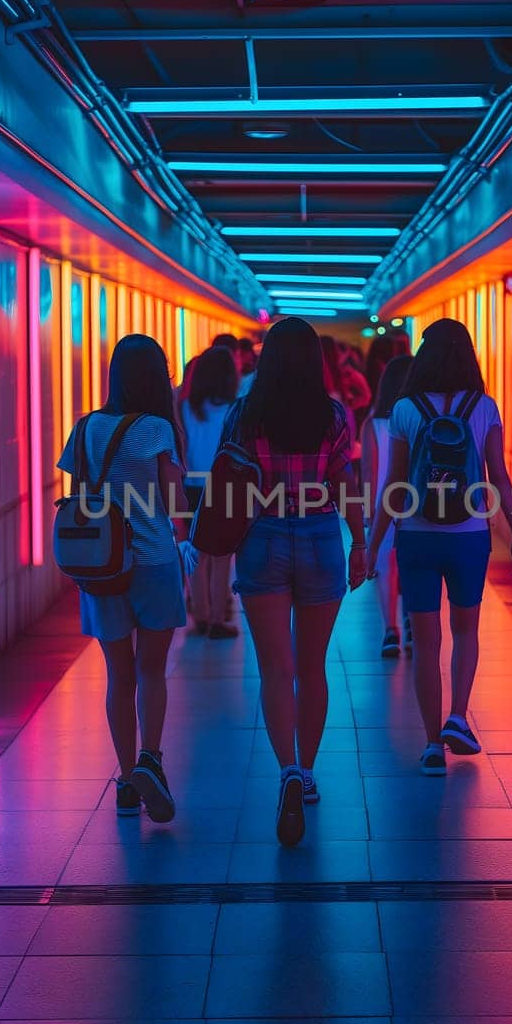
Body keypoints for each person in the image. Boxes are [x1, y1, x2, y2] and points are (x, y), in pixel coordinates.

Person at [226, 318, 367, 846]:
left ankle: (285, 769)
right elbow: (344, 482)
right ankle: (306, 772)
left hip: (260, 534)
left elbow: (229, 472)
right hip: (318, 533)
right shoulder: (334, 415)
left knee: (274, 670)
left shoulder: (245, 413)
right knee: (312, 667)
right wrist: (361, 542)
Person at [367, 318, 512, 777]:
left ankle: (433, 743)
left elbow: (394, 486)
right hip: (469, 536)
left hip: (416, 536)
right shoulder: (484, 407)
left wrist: (373, 545)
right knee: (466, 631)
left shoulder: (404, 409)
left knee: (426, 639)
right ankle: (458, 715)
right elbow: (499, 476)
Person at [57, 335, 193, 823]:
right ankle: (150, 762)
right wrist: (188, 545)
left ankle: (124, 780)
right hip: (154, 559)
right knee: (152, 669)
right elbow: (175, 503)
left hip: (102, 564)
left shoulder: (87, 427)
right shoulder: (157, 428)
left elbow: (79, 499)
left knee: (119, 673)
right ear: (158, 377)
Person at [179, 346, 240, 638]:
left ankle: (200, 615)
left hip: (189, 487)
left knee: (196, 554)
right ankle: (218, 617)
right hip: (223, 487)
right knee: (221, 556)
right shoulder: (234, 408)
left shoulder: (184, 408)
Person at [361, 354, 413, 658]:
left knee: (386, 567)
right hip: (417, 506)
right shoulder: (420, 417)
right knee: (412, 566)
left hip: (384, 505)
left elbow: (369, 470)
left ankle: (390, 629)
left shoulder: (374, 423)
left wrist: (370, 515)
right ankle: (411, 621)